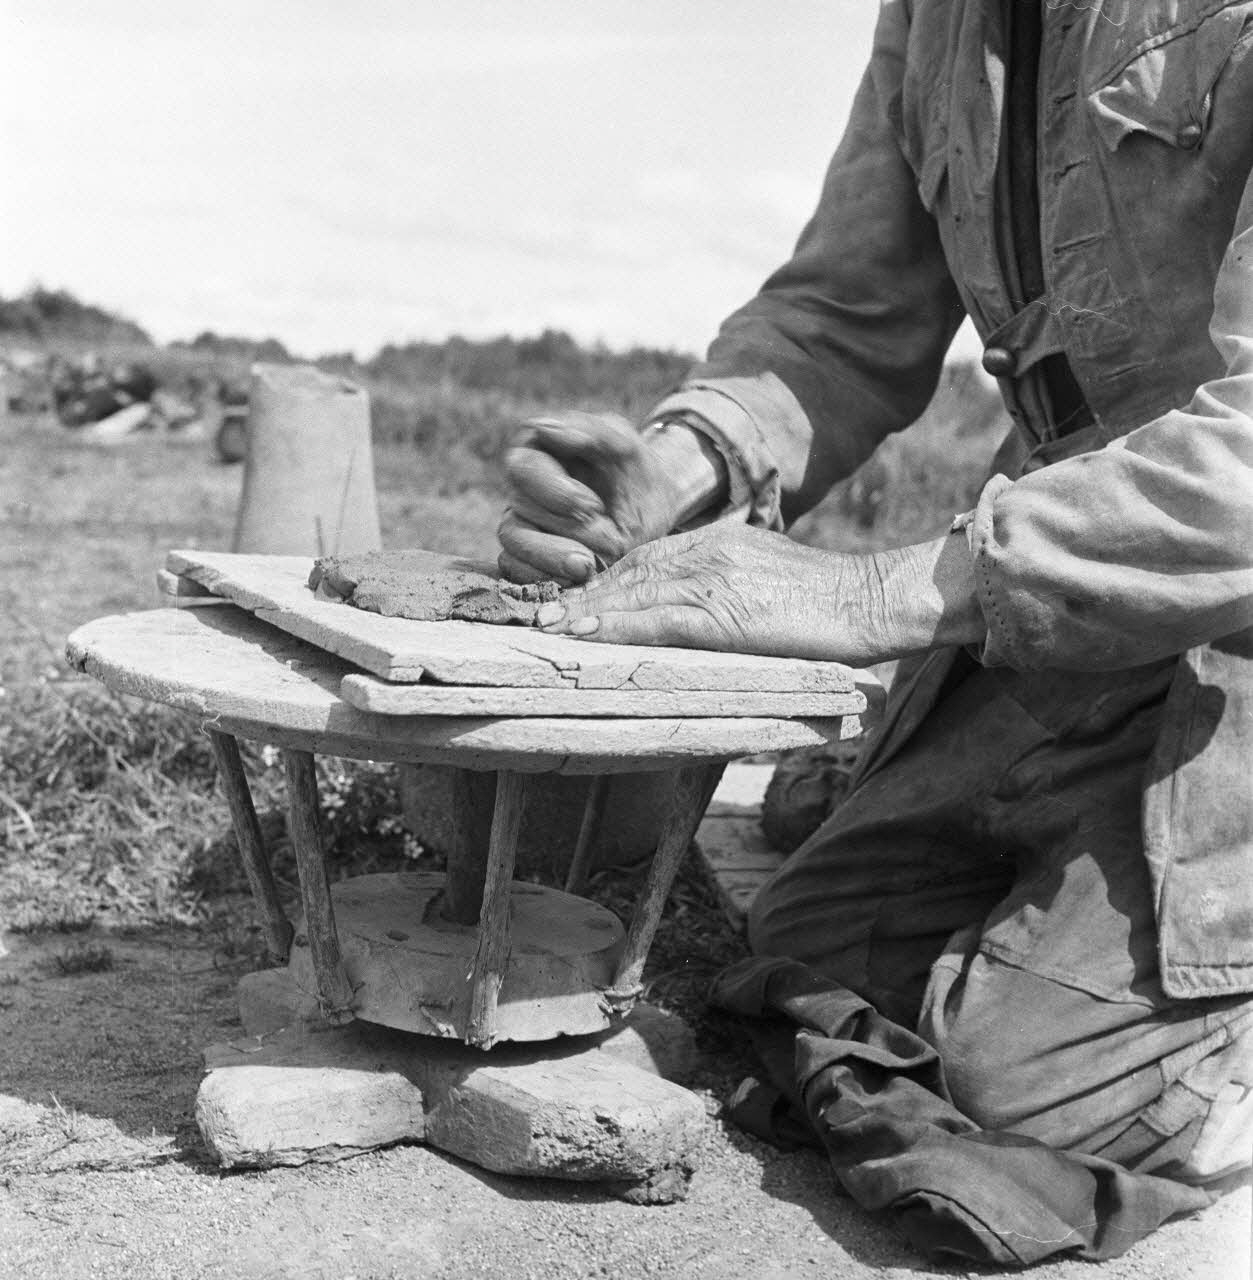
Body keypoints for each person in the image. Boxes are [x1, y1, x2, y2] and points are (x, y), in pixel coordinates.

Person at [497, 0, 1253, 1266]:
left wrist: (860, 597)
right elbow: (846, 313)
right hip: (1065, 589)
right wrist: (677, 469)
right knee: (817, 949)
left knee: (1037, 1090)